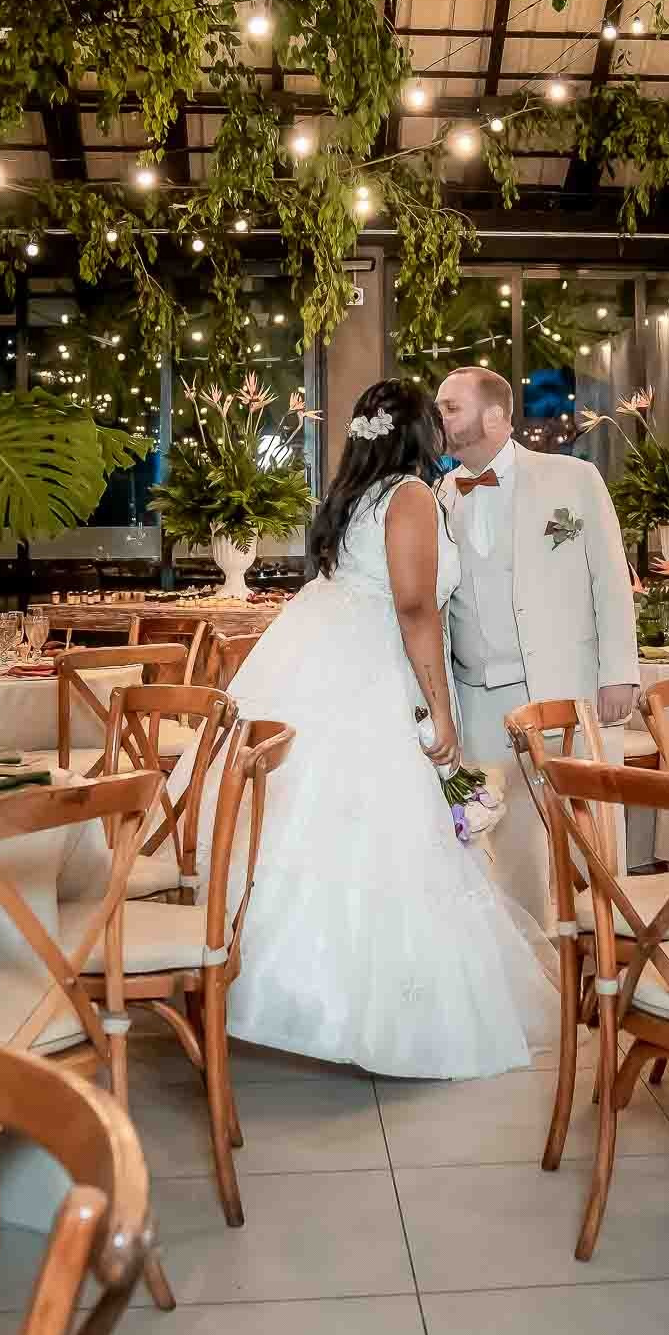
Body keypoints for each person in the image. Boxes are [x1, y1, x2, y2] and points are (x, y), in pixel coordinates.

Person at [190, 378, 554, 1079]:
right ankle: (384, 1016)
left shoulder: (353, 497)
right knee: (388, 834)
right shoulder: (410, 495)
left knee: (316, 830)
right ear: (416, 432)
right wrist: (440, 706)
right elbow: (416, 608)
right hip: (377, 670)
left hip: (326, 655)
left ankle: (292, 995)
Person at [434, 366, 640, 932]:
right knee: (496, 846)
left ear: (495, 415)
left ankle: (599, 958)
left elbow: (610, 577)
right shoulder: (442, 493)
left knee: (580, 841)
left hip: (561, 688)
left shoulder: (573, 479)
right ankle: (521, 972)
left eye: (451, 407)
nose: (441, 418)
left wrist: (619, 671)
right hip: (475, 704)